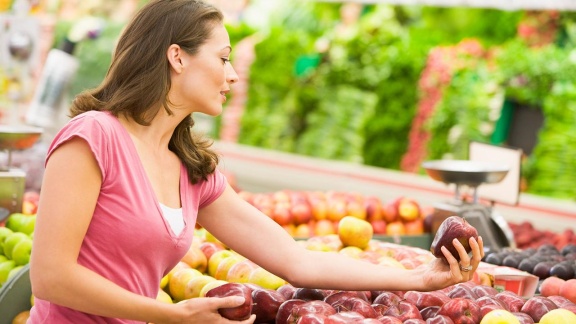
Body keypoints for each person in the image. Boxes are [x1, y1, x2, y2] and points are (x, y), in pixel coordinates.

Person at [28, 1, 485, 323]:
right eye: (223, 58)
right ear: (177, 58)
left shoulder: (191, 173)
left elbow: (297, 263)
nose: (232, 74)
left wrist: (420, 279)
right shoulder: (95, 135)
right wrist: (169, 315)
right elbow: (51, 277)